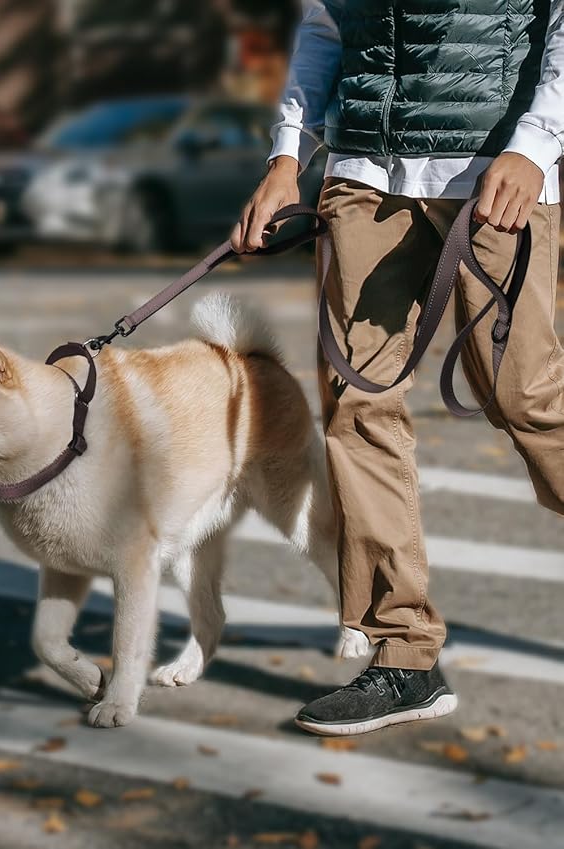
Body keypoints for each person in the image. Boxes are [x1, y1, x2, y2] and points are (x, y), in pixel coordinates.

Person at [232, 0, 564, 736]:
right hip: (363, 175)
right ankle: (403, 653)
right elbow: (325, 25)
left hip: (493, 172)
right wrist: (287, 157)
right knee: (356, 408)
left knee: (526, 398)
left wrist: (536, 144)